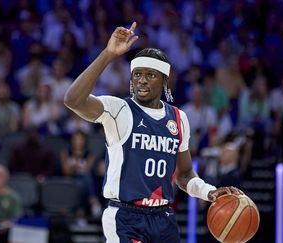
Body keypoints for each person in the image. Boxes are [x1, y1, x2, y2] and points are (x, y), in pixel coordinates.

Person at [64, 22, 243, 242]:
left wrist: (209, 192)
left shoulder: (179, 118)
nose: (142, 80)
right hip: (125, 217)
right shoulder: (119, 109)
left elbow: (185, 175)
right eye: (137, 74)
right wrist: (108, 54)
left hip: (163, 218)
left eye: (150, 75)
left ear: (164, 80)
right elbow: (72, 100)